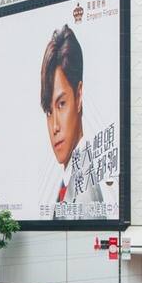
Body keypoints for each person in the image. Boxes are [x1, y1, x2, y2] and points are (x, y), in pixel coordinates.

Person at [39, 25, 111, 218]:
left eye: (61, 104)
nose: (55, 126)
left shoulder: (85, 188)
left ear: (78, 96)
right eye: (48, 111)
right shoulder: (70, 178)